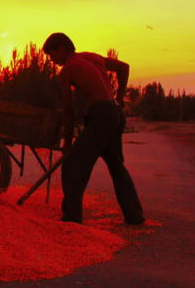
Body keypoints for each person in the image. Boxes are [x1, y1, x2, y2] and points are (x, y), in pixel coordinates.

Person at [42, 33, 145, 225]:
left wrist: (68, 143)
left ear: (62, 48)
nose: (52, 61)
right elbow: (124, 67)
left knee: (73, 164)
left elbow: (69, 111)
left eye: (52, 55)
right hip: (114, 113)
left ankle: (72, 217)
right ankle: (134, 215)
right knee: (116, 166)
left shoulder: (67, 71)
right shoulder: (91, 57)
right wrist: (119, 99)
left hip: (102, 116)